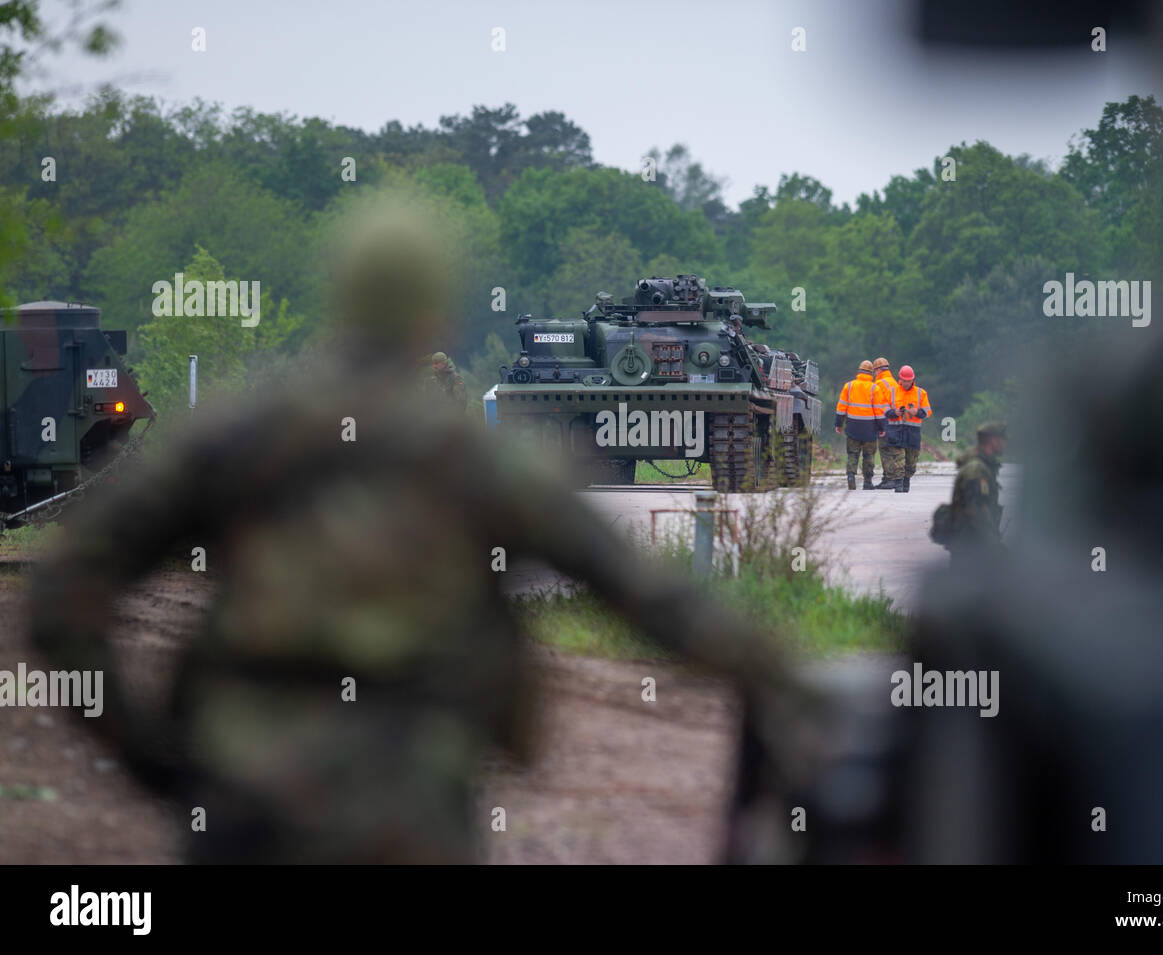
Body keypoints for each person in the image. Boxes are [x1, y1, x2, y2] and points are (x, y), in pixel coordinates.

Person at [27, 197, 811, 864]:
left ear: (339, 296)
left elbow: (64, 590)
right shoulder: (476, 460)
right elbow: (655, 600)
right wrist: (792, 679)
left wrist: (154, 757)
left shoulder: (236, 437)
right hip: (410, 810)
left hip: (241, 800)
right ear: (435, 315)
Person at [947, 420, 1006, 565]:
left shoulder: (984, 466)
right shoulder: (976, 469)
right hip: (971, 547)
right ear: (993, 441)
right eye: (1002, 439)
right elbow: (976, 511)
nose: (1005, 443)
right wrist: (995, 547)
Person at [834, 360, 877, 489]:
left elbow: (841, 407)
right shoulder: (875, 388)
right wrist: (881, 427)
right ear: (871, 373)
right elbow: (879, 410)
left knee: (853, 453)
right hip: (870, 428)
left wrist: (839, 424)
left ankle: (851, 476)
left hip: (852, 426)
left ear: (859, 371)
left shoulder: (849, 386)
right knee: (868, 455)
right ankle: (867, 482)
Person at [891, 365, 932, 493]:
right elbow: (884, 409)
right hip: (897, 430)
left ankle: (906, 479)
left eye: (909, 381)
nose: (907, 383)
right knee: (898, 459)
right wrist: (894, 413)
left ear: (913, 380)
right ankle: (898, 482)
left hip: (913, 432)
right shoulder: (893, 391)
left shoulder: (921, 393)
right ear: (900, 379)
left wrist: (917, 412)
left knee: (911, 462)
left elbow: (927, 412)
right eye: (905, 380)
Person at [871, 357, 903, 489]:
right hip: (898, 420)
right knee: (895, 449)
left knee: (885, 450)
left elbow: (880, 405)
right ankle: (890, 478)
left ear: (878, 370)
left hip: (887, 419)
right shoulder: (893, 382)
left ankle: (890, 479)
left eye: (874, 371)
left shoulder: (879, 384)